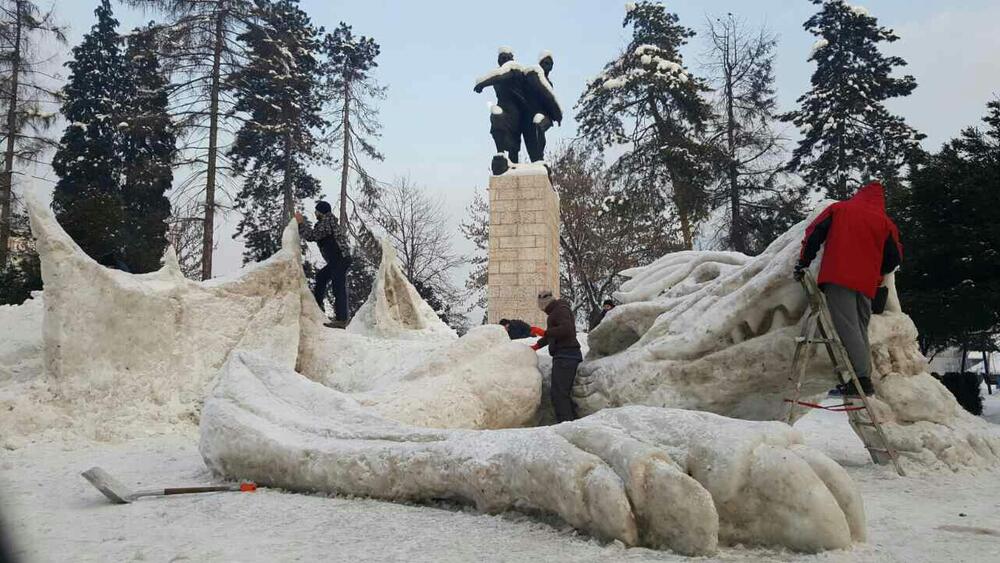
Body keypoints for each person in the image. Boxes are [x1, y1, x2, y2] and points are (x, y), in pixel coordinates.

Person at [795, 181, 902, 396]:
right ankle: (862, 378)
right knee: (859, 329)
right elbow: (894, 259)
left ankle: (862, 380)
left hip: (839, 276)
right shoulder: (885, 223)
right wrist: (874, 270)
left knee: (848, 329)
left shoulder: (839, 209)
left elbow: (814, 233)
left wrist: (804, 262)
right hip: (866, 285)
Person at [296, 201, 352, 329]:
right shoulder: (326, 222)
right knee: (321, 277)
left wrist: (300, 223)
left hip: (340, 259)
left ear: (321, 212)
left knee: (338, 287)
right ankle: (317, 307)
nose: (315, 213)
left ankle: (341, 319)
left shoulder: (327, 222)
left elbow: (312, 236)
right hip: (337, 260)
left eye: (316, 211)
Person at [531, 289, 582, 422]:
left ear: (545, 304)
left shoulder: (560, 310)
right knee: (561, 393)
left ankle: (566, 424)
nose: (543, 311)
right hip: (564, 355)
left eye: (542, 308)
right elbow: (553, 335)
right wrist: (537, 345)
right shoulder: (556, 311)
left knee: (559, 394)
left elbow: (567, 329)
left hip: (567, 356)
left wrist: (544, 332)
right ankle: (572, 422)